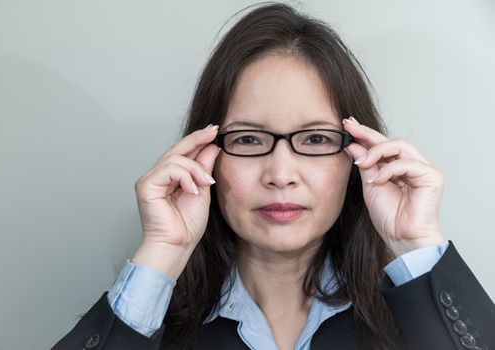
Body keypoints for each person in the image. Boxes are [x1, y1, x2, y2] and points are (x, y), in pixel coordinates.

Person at [51, 3, 495, 350]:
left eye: (317, 140)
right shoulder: (146, 322)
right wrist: (162, 253)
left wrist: (415, 246)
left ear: (358, 156)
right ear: (205, 155)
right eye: (247, 140)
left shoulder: (417, 319)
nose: (281, 175)